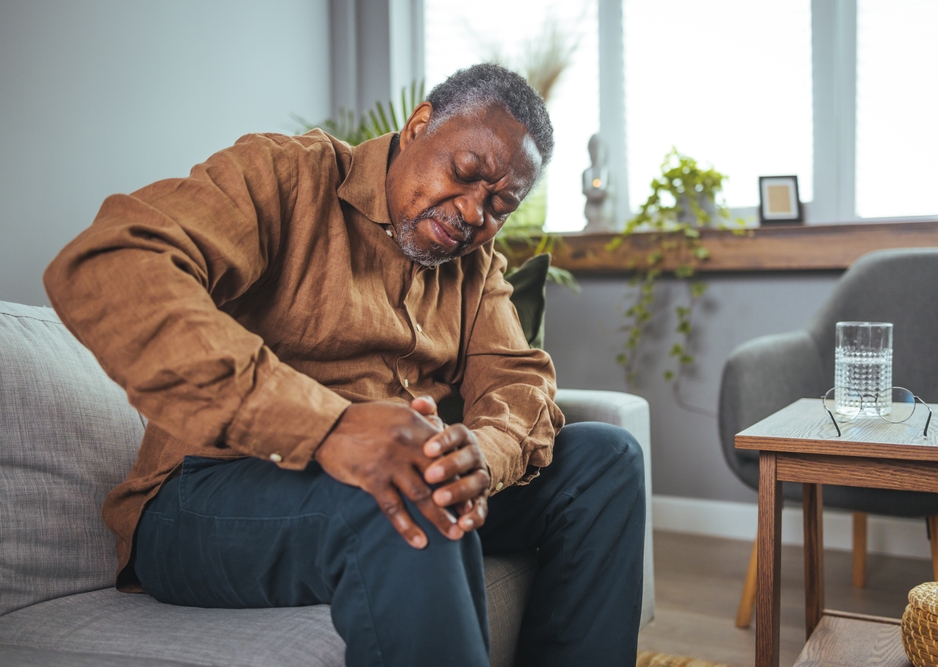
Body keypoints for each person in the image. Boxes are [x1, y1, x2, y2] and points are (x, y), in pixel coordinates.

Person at [44, 63, 645, 667]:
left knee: (606, 461)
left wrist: (480, 458)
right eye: (464, 175)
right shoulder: (284, 176)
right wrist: (329, 426)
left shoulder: (476, 263)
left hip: (379, 488)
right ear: (417, 128)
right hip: (204, 496)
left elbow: (517, 379)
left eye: (498, 205)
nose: (471, 214)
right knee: (405, 486)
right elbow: (108, 264)